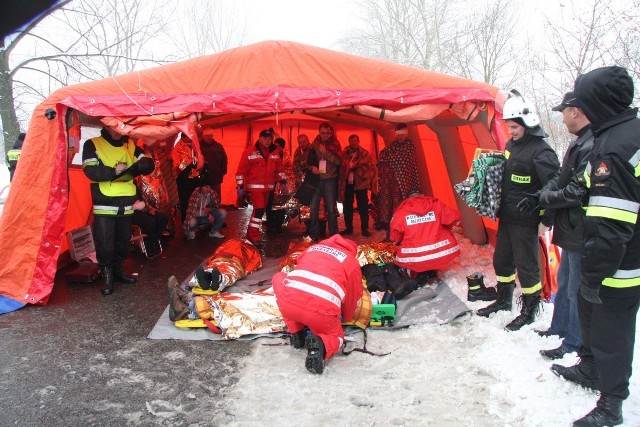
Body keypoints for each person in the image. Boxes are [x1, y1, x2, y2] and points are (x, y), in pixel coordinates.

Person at [550, 66, 640, 427]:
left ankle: (612, 404)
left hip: (619, 261)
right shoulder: (618, 135)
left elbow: (612, 223)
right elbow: (583, 185)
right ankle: (590, 368)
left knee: (612, 328)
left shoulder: (615, 148)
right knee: (593, 320)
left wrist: (595, 274)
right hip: (612, 251)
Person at [476, 90, 560, 331]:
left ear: (528, 123)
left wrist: (547, 220)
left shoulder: (542, 152)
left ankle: (530, 310)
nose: (510, 132)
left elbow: (555, 187)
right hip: (508, 216)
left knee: (527, 266)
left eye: (514, 127)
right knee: (502, 260)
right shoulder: (512, 145)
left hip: (527, 221)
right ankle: (504, 300)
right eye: (508, 127)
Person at [528, 91, 593, 361]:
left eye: (564, 112)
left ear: (575, 111)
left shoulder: (592, 144)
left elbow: (578, 189)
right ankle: (560, 327)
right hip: (570, 228)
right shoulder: (579, 142)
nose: (563, 118)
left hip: (582, 229)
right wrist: (543, 194)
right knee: (565, 282)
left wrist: (549, 198)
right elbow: (562, 178)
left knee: (575, 286)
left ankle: (574, 340)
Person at [271, 234, 364, 374]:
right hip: (321, 312)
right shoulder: (351, 261)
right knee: (336, 337)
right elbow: (352, 297)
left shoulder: (312, 249)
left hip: (289, 304)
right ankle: (321, 344)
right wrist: (347, 317)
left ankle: (296, 332)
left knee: (278, 278)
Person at [82, 127, 155, 295]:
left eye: (120, 127)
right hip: (105, 203)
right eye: (114, 127)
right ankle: (107, 275)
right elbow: (90, 170)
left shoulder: (130, 144)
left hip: (127, 202)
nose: (118, 131)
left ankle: (119, 271)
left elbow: (146, 163)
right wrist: (112, 171)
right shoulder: (92, 144)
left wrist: (146, 164)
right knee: (105, 243)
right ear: (107, 126)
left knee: (123, 240)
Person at [390, 190, 462, 282]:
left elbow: (394, 236)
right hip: (440, 253)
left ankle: (419, 273)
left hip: (414, 257)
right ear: (423, 195)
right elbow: (455, 217)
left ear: (408, 199)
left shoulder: (401, 212)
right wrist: (446, 227)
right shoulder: (437, 205)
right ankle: (431, 270)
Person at [235, 129, 287, 244]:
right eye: (265, 138)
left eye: (269, 139)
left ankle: (250, 233)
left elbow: (279, 169)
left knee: (260, 210)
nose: (268, 141)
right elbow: (241, 170)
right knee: (259, 210)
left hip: (268, 187)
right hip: (255, 187)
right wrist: (240, 186)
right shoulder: (249, 152)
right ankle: (253, 237)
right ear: (260, 138)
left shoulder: (275, 152)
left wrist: (283, 181)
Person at [376, 123, 420, 240]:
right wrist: (390, 161)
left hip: (402, 186)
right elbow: (382, 157)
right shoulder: (392, 146)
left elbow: (403, 163)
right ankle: (390, 235)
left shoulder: (409, 147)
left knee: (401, 210)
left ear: (406, 134)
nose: (400, 137)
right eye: (398, 135)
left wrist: (391, 161)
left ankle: (403, 236)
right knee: (389, 211)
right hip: (389, 185)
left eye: (402, 134)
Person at [308, 122, 342, 240]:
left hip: (329, 180)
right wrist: (312, 167)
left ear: (331, 133)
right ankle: (314, 235)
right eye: (322, 133)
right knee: (314, 209)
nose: (325, 135)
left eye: (327, 133)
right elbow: (310, 159)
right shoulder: (315, 143)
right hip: (316, 180)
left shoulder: (335, 144)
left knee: (331, 209)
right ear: (319, 132)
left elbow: (338, 161)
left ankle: (333, 235)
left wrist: (325, 152)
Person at [338, 134, 375, 237]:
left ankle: (365, 229)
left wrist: (356, 169)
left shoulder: (364, 153)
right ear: (349, 142)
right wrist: (347, 168)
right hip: (348, 182)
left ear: (358, 141)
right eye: (351, 141)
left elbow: (368, 167)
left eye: (355, 141)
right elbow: (341, 166)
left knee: (363, 206)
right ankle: (349, 228)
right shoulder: (344, 153)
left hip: (361, 183)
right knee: (347, 206)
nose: (353, 143)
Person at [131, 184, 170, 258]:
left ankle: (153, 239)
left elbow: (141, 199)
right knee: (150, 221)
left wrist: (149, 208)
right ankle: (149, 245)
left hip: (142, 209)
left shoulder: (134, 184)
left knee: (163, 217)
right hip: (130, 213)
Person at [173, 134, 204, 221]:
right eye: (189, 137)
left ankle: (195, 221)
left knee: (195, 201)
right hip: (183, 179)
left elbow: (198, 159)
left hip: (194, 178)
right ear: (184, 137)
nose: (191, 138)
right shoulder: (177, 148)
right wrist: (189, 162)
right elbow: (178, 167)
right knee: (185, 202)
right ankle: (185, 222)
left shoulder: (192, 146)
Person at [200, 128, 228, 197]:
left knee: (216, 196)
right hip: (203, 178)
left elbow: (224, 160)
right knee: (204, 197)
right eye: (207, 136)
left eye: (211, 136)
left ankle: (216, 207)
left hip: (216, 177)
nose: (209, 137)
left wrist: (222, 172)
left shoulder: (218, 146)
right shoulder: (198, 146)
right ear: (203, 136)